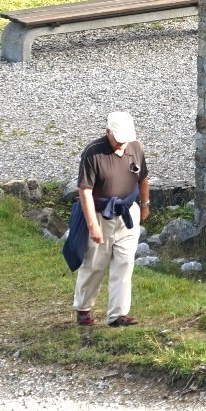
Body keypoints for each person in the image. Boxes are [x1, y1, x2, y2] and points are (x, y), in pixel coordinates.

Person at [73, 111, 150, 328]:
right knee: (95, 263)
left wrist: (144, 205)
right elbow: (85, 190)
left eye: (125, 139)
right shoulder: (92, 153)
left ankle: (118, 314)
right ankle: (84, 308)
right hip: (100, 214)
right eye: (118, 139)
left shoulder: (135, 147)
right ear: (108, 132)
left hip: (127, 212)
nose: (122, 144)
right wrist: (92, 225)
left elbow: (143, 178)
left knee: (125, 262)